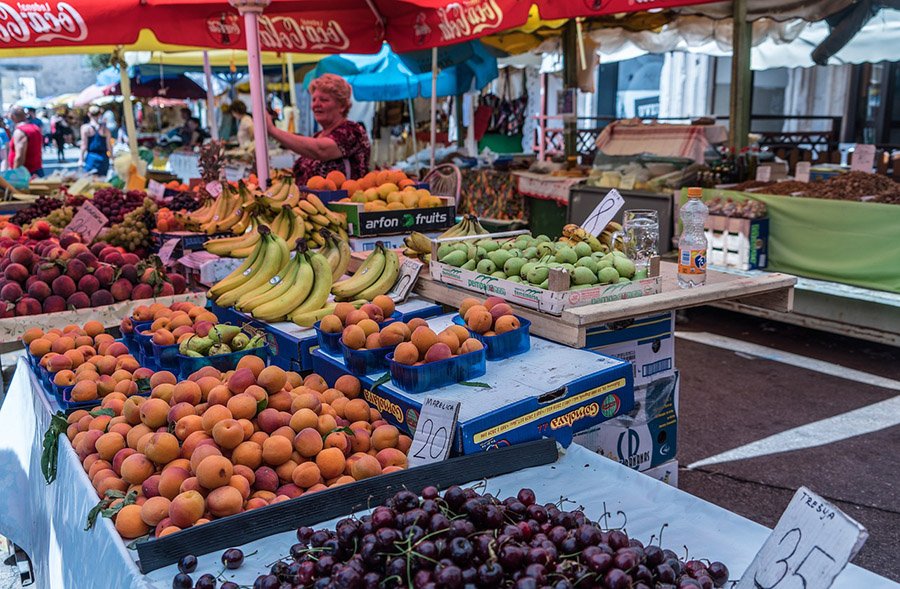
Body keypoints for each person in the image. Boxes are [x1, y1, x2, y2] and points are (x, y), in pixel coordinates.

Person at [266, 74, 371, 185]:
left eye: (324, 100)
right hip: (308, 201)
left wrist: (272, 130)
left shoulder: (352, 131)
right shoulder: (318, 136)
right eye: (314, 99)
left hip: (342, 201)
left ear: (342, 106)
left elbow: (320, 150)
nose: (316, 105)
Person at [7, 107, 43, 176]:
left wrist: (15, 174)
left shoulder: (20, 132)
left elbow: (19, 156)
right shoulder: (35, 128)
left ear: (12, 116)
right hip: (37, 169)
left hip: (26, 173)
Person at [80, 105, 111, 176]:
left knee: (90, 183)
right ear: (100, 114)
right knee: (102, 184)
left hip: (91, 158)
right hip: (103, 159)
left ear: (89, 114)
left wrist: (81, 159)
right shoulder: (105, 129)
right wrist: (112, 158)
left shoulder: (85, 128)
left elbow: (84, 145)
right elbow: (109, 146)